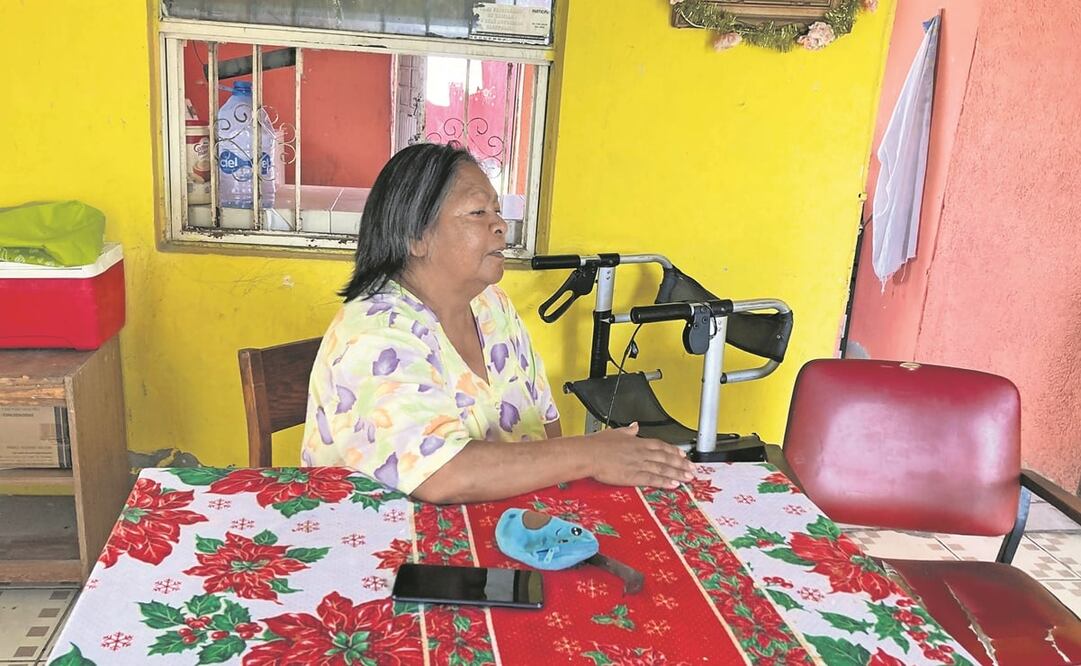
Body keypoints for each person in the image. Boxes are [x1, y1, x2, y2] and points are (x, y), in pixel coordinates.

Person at [301, 143, 693, 503]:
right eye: (477, 212)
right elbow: (440, 473)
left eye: (498, 211)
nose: (501, 225)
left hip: (503, 526)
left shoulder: (492, 306)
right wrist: (592, 452)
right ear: (415, 237)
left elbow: (544, 425)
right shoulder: (374, 332)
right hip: (384, 548)